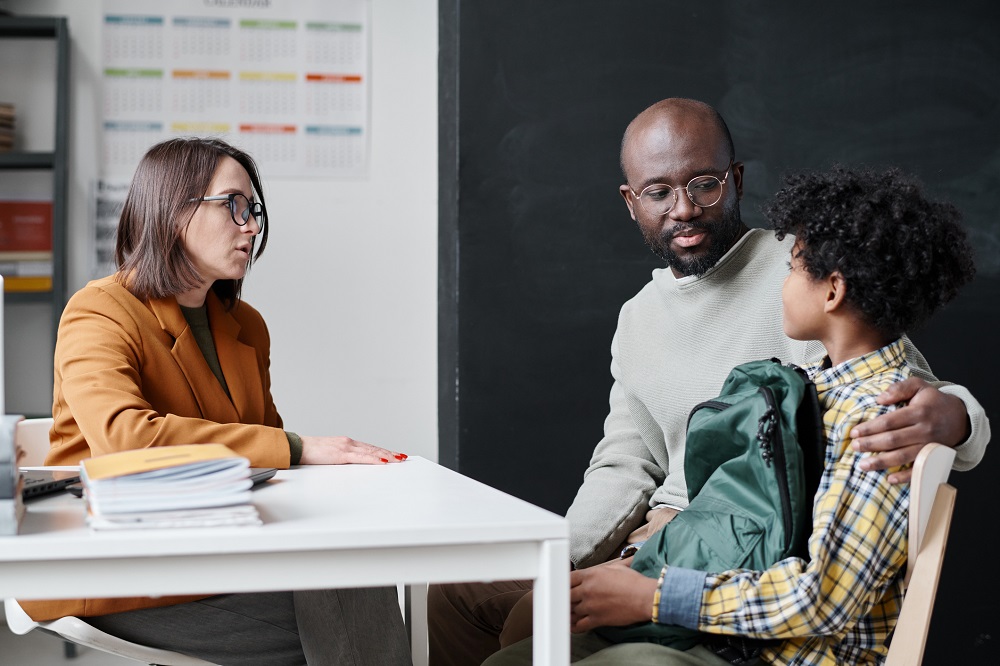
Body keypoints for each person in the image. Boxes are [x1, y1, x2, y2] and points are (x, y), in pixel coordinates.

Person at [427, 99, 991, 665]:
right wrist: (560, 557)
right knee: (458, 592)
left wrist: (956, 416)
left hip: (743, 550)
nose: (684, 210)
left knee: (531, 635)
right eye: (658, 192)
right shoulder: (638, 317)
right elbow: (625, 463)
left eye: (703, 185)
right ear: (631, 202)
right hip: (658, 543)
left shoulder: (807, 271)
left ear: (736, 179)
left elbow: (899, 384)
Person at [17, 137, 411, 666]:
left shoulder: (246, 326)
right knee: (350, 609)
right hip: (111, 567)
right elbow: (127, 441)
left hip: (214, 548)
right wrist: (296, 447)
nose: (251, 226)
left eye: (254, 210)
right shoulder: (99, 311)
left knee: (355, 575)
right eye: (235, 206)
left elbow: (265, 458)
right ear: (175, 210)